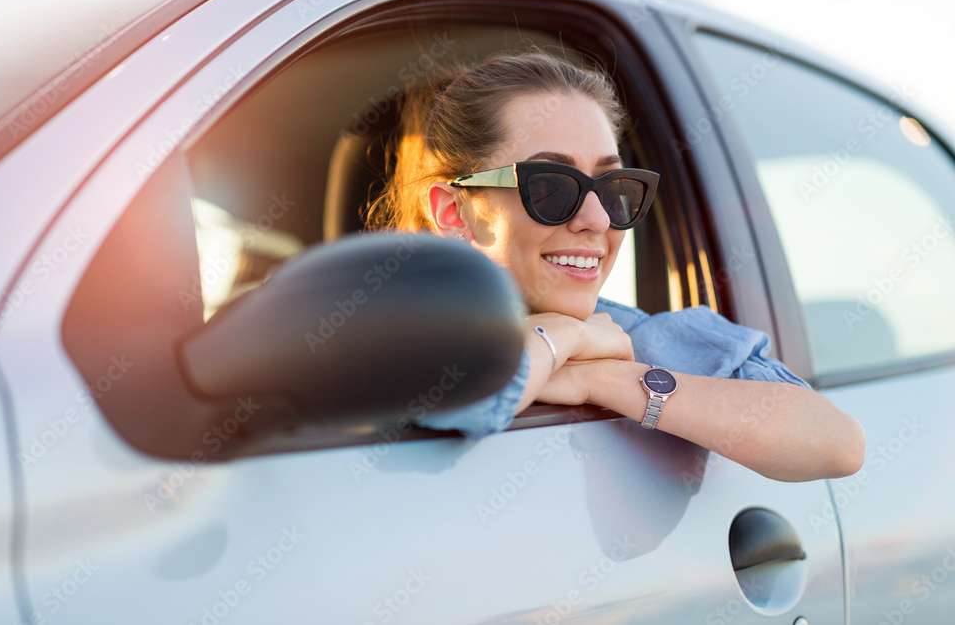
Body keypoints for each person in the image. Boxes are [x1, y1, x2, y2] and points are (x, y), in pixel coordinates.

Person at [366, 51, 864, 482]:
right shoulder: (379, 323)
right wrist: (558, 339)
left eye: (614, 189)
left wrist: (601, 379)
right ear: (456, 212)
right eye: (550, 187)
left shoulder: (627, 337)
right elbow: (460, 398)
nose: (597, 218)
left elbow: (835, 443)